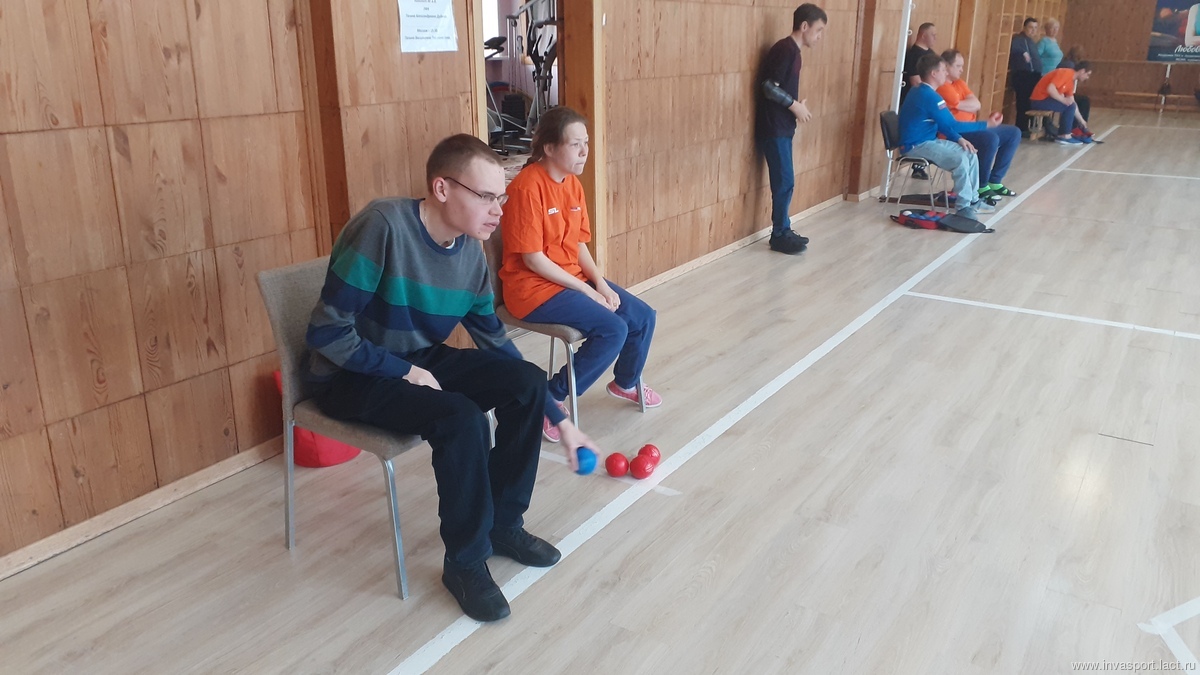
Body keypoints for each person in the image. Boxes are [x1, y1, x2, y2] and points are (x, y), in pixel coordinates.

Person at [305, 134, 597, 623]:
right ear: (442, 189)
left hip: (415, 358)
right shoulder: (383, 226)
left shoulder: (470, 255)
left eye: (501, 198)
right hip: (347, 374)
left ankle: (503, 524)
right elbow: (326, 332)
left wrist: (560, 419)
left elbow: (495, 344)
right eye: (485, 197)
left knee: (525, 381)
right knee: (461, 418)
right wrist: (403, 371)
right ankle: (465, 562)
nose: (497, 211)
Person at [499, 107, 661, 444]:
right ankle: (551, 398)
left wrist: (600, 283)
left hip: (568, 279)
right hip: (532, 289)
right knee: (613, 329)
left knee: (642, 316)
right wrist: (588, 292)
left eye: (585, 143)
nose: (584, 151)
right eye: (575, 144)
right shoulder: (526, 188)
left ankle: (625, 382)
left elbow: (578, 245)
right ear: (549, 148)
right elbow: (533, 260)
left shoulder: (572, 185)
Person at [754, 3, 828, 255]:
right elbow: (768, 87)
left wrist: (795, 104)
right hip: (773, 127)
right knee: (784, 181)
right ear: (804, 26)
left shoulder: (793, 52)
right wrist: (794, 105)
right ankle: (779, 234)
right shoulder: (785, 49)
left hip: (782, 126)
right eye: (818, 30)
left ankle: (783, 228)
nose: (819, 37)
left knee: (785, 181)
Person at [899, 53, 1001, 221]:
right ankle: (963, 207)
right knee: (959, 160)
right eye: (943, 70)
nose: (946, 73)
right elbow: (953, 125)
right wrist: (986, 124)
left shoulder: (922, 91)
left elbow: (945, 126)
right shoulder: (929, 96)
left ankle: (973, 200)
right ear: (933, 74)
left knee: (969, 152)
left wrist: (959, 139)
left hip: (928, 141)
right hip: (916, 145)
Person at [937, 49, 1022, 202]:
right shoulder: (943, 87)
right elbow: (960, 105)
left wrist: (959, 105)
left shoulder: (960, 83)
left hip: (972, 126)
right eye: (958, 66)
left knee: (1013, 133)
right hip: (955, 132)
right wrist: (961, 104)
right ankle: (981, 185)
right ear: (946, 67)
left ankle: (994, 181)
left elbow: (976, 104)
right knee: (989, 138)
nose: (961, 70)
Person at [1030, 61, 1094, 144]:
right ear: (1082, 71)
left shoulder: (1071, 81)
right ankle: (1064, 136)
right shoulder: (1065, 73)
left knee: (1071, 105)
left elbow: (1072, 102)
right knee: (1069, 106)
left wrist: (1081, 120)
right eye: (1087, 74)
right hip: (1039, 101)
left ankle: (1064, 134)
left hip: (1046, 100)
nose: (1087, 78)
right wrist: (1063, 100)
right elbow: (1050, 89)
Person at [1009, 17, 1043, 135]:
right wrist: (1023, 53)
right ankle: (1022, 128)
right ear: (1024, 28)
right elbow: (1015, 47)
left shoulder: (1031, 41)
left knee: (1029, 102)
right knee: (1023, 102)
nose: (1033, 30)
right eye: (1030, 27)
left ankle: (1027, 127)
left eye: (1035, 28)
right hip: (1023, 76)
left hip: (1033, 76)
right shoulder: (1019, 39)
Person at [901, 23, 938, 105]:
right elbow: (916, 82)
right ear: (924, 36)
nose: (935, 38)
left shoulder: (931, 53)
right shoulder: (913, 55)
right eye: (933, 35)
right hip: (920, 100)